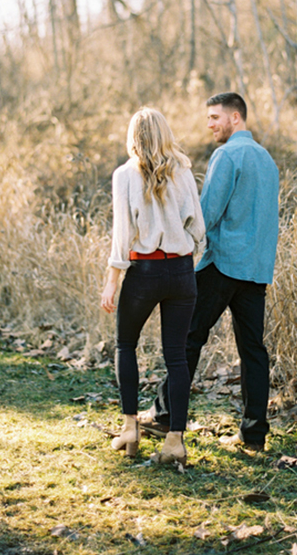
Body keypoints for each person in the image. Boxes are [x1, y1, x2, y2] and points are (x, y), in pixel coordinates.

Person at [142, 92, 279, 452]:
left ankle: (164, 417)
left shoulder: (227, 155)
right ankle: (254, 437)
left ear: (236, 118)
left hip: (222, 265)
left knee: (187, 337)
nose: (210, 125)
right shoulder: (268, 161)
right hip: (256, 270)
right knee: (253, 351)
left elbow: (207, 213)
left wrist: (184, 250)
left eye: (216, 117)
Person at [101, 107, 205, 464]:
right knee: (177, 357)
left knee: (125, 345)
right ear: (164, 134)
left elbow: (121, 236)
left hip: (143, 272)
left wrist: (111, 282)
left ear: (133, 136)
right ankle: (174, 441)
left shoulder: (124, 175)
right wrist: (184, 252)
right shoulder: (184, 172)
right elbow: (198, 229)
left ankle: (130, 428)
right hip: (180, 272)